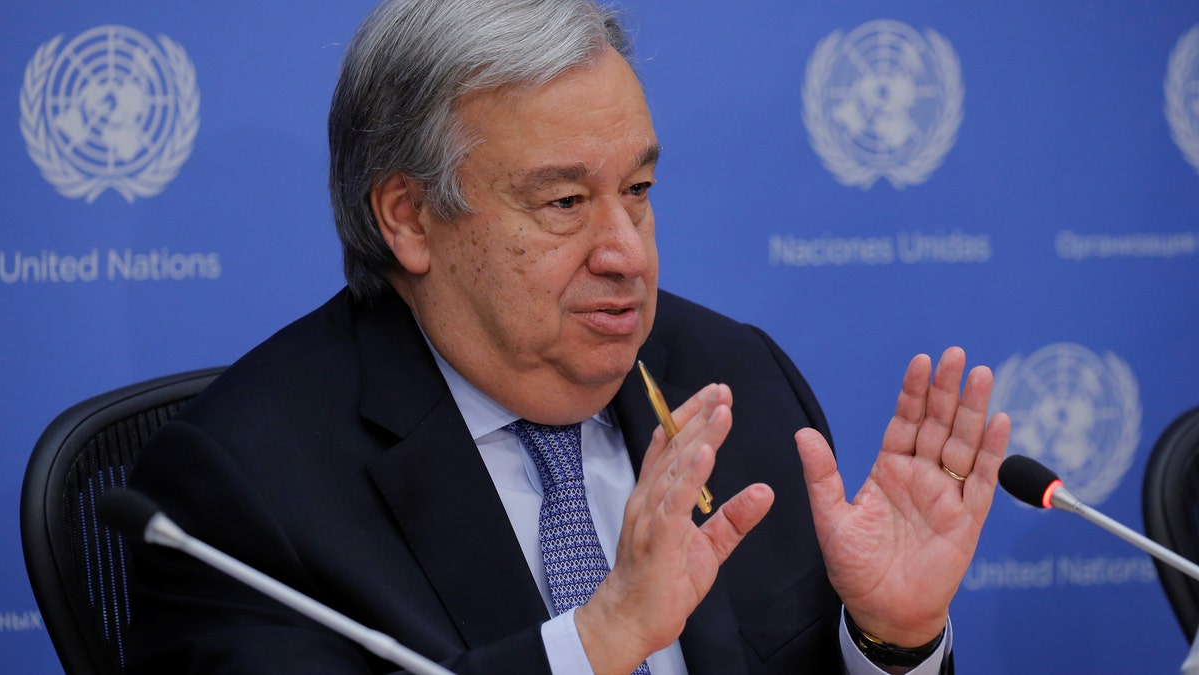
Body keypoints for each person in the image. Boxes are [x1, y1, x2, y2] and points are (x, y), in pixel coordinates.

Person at [124, 1, 1011, 673]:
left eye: (637, 190)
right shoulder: (244, 488)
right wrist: (595, 642)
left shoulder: (730, 378)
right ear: (410, 218)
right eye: (564, 203)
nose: (627, 253)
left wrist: (889, 640)